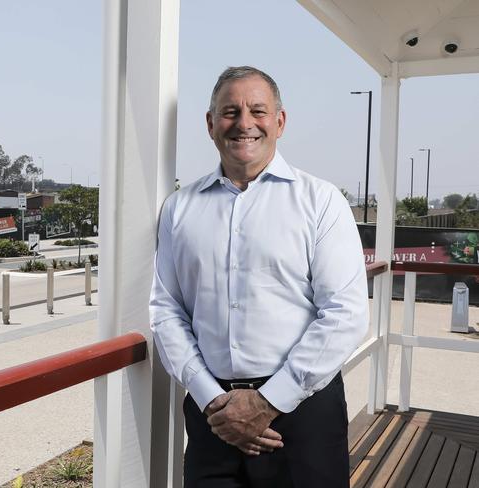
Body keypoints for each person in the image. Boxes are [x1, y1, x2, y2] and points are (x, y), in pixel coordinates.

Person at [149, 66, 369, 487]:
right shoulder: (179, 208)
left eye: (258, 110)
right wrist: (212, 399)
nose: (244, 123)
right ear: (211, 124)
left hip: (301, 414)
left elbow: (345, 313)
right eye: (230, 111)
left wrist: (268, 402)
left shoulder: (321, 202)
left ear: (280, 122)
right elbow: (166, 309)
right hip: (213, 417)